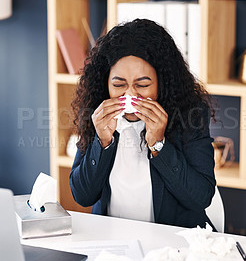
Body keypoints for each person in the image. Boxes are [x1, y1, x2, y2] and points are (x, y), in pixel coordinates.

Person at [70, 19, 217, 230]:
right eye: (119, 84)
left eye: (143, 85)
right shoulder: (98, 115)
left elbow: (200, 198)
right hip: (113, 240)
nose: (130, 95)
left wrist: (159, 144)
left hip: (170, 244)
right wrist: (102, 142)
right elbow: (83, 196)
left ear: (162, 83)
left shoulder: (190, 116)